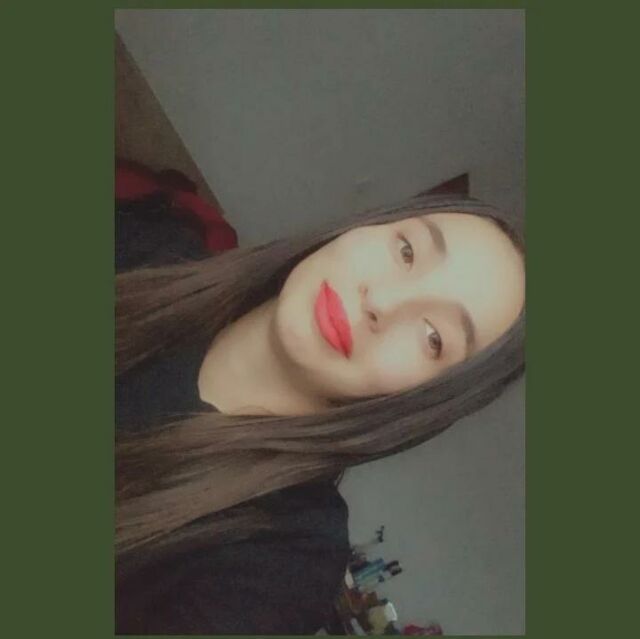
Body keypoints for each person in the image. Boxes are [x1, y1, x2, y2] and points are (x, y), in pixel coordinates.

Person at [115, 192, 525, 634]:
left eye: (433, 338)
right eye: (407, 250)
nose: (381, 301)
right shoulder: (151, 248)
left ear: (426, 399)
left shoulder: (285, 559)